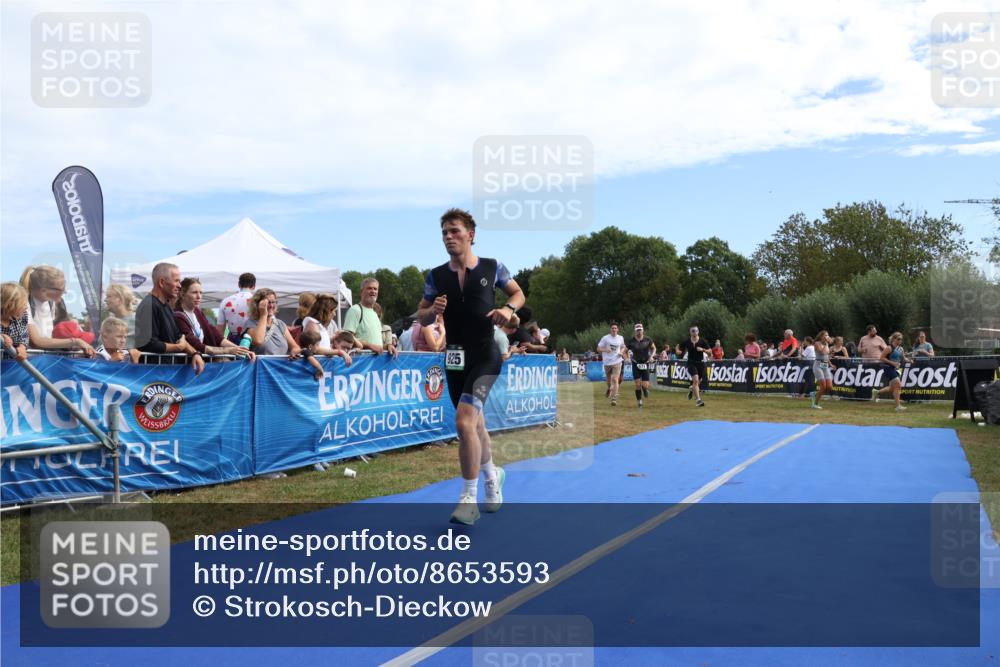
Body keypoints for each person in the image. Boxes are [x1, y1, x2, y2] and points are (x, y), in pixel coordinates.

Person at [416, 208, 524, 525]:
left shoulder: (493, 267)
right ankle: (493, 475)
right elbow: (420, 315)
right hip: (454, 358)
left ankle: (468, 498)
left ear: (470, 234)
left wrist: (507, 308)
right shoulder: (436, 276)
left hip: (486, 355)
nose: (449, 237)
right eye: (444, 233)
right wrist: (431, 310)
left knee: (464, 422)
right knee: (474, 424)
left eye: (454, 231)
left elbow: (517, 293)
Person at [134, 263, 204, 374]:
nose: (180, 285)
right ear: (162, 282)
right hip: (154, 376)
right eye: (176, 281)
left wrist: (195, 353)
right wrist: (178, 347)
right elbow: (148, 344)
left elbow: (179, 336)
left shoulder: (166, 306)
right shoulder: (149, 305)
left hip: (167, 374)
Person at [19, 265, 95, 356]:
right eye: (62, 289)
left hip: (49, 358)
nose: (65, 291)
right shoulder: (23, 304)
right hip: (31, 361)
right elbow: (37, 341)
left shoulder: (55, 304)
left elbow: (62, 333)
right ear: (44, 291)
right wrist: (76, 342)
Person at [174, 277, 254, 359]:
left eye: (201, 293)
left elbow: (216, 335)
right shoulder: (178, 316)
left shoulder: (198, 312)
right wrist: (228, 350)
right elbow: (197, 346)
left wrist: (240, 349)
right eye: (194, 292)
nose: (199, 296)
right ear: (182, 294)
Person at [344, 277, 397, 356]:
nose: (373, 291)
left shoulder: (374, 314)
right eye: (369, 288)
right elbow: (346, 337)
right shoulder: (355, 310)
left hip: (374, 364)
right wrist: (369, 346)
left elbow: (376, 344)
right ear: (361, 291)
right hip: (361, 363)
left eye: (375, 289)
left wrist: (387, 346)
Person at [245, 288, 302, 358]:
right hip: (261, 367)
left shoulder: (280, 324)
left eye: (273, 302)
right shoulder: (251, 323)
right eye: (268, 302)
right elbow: (258, 341)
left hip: (280, 367)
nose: (271, 306)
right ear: (257, 304)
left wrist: (295, 351)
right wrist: (263, 315)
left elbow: (295, 347)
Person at [676, 326, 711, 407]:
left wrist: (703, 350)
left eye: (695, 331)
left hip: (700, 363)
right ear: (690, 332)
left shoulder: (702, 341)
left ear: (698, 332)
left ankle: (692, 389)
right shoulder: (687, 341)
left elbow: (710, 351)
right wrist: (678, 351)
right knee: (695, 380)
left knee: (698, 382)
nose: (694, 332)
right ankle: (698, 400)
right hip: (691, 363)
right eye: (692, 331)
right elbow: (678, 347)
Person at [875, 332, 910, 411]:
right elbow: (881, 358)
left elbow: (904, 359)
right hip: (887, 368)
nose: (900, 341)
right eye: (898, 339)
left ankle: (876, 392)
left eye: (901, 339)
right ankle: (898, 406)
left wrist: (909, 360)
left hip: (894, 369)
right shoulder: (889, 348)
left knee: (892, 388)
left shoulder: (901, 349)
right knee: (898, 385)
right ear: (894, 339)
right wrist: (893, 363)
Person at [217, 272, 256, 339]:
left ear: (239, 284)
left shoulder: (225, 301)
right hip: (253, 339)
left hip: (232, 340)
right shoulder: (258, 301)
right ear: (254, 286)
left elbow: (220, 330)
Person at [625, 323, 656, 408]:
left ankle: (645, 389)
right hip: (635, 363)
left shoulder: (648, 339)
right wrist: (626, 358)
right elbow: (624, 351)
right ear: (635, 331)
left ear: (643, 330)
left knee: (645, 384)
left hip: (645, 363)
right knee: (637, 384)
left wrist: (651, 356)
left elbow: (654, 348)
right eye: (637, 330)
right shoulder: (631, 341)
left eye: (640, 330)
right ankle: (639, 401)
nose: (639, 331)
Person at [597, 323, 626, 406]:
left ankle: (614, 398)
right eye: (612, 328)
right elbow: (598, 349)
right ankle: (609, 388)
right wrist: (606, 350)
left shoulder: (620, 338)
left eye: (615, 328)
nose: (614, 329)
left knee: (615, 379)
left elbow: (623, 346)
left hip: (617, 361)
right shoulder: (605, 338)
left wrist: (621, 352)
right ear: (610, 329)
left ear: (618, 329)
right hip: (607, 362)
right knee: (609, 380)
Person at [1, 282, 29, 361]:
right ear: (10, 305)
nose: (26, 307)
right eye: (23, 304)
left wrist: (22, 347)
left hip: (13, 363)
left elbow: (24, 336)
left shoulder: (23, 316)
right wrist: (1, 338)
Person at [811, 331, 834, 409]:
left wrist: (831, 364)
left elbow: (826, 356)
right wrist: (826, 344)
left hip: (825, 365)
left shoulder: (827, 344)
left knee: (830, 387)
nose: (827, 336)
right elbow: (822, 352)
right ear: (821, 336)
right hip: (818, 365)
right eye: (825, 335)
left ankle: (815, 394)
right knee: (823, 387)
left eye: (828, 335)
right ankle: (815, 404)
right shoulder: (817, 343)